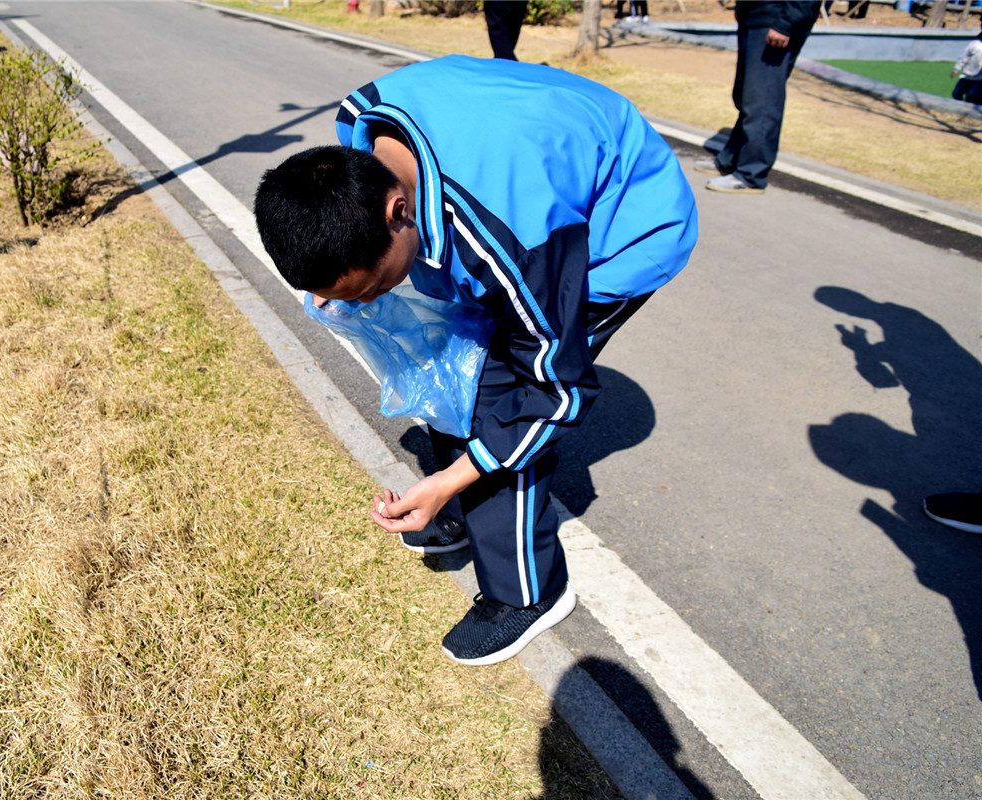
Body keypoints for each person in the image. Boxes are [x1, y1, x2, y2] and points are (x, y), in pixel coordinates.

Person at [254, 56, 698, 666]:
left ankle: (527, 592)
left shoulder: (512, 241)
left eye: (370, 286)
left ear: (398, 211)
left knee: (499, 393)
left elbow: (552, 391)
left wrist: (448, 479)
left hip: (620, 226)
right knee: (455, 358)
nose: (365, 302)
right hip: (535, 159)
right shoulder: (361, 125)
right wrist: (347, 291)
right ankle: (464, 508)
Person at [695, 1, 821, 194]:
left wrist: (786, 23)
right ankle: (731, 160)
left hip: (777, 18)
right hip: (755, 14)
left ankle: (751, 174)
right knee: (746, 96)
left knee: (763, 99)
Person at [950, 29, 982, 105]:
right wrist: (957, 69)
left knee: (972, 95)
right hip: (967, 75)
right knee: (956, 93)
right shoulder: (974, 44)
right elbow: (965, 57)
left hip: (980, 79)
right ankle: (961, 108)